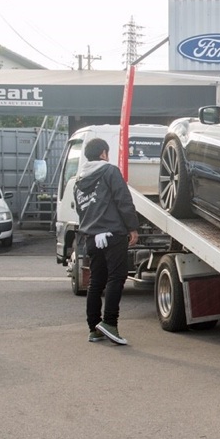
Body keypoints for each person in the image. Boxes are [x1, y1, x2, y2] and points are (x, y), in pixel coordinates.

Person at [75, 138, 139, 345]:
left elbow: (80, 210)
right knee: (117, 277)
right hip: (113, 234)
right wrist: (132, 227)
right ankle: (110, 323)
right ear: (103, 153)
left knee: (96, 282)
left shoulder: (79, 180)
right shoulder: (109, 171)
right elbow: (123, 199)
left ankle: (94, 329)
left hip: (92, 236)